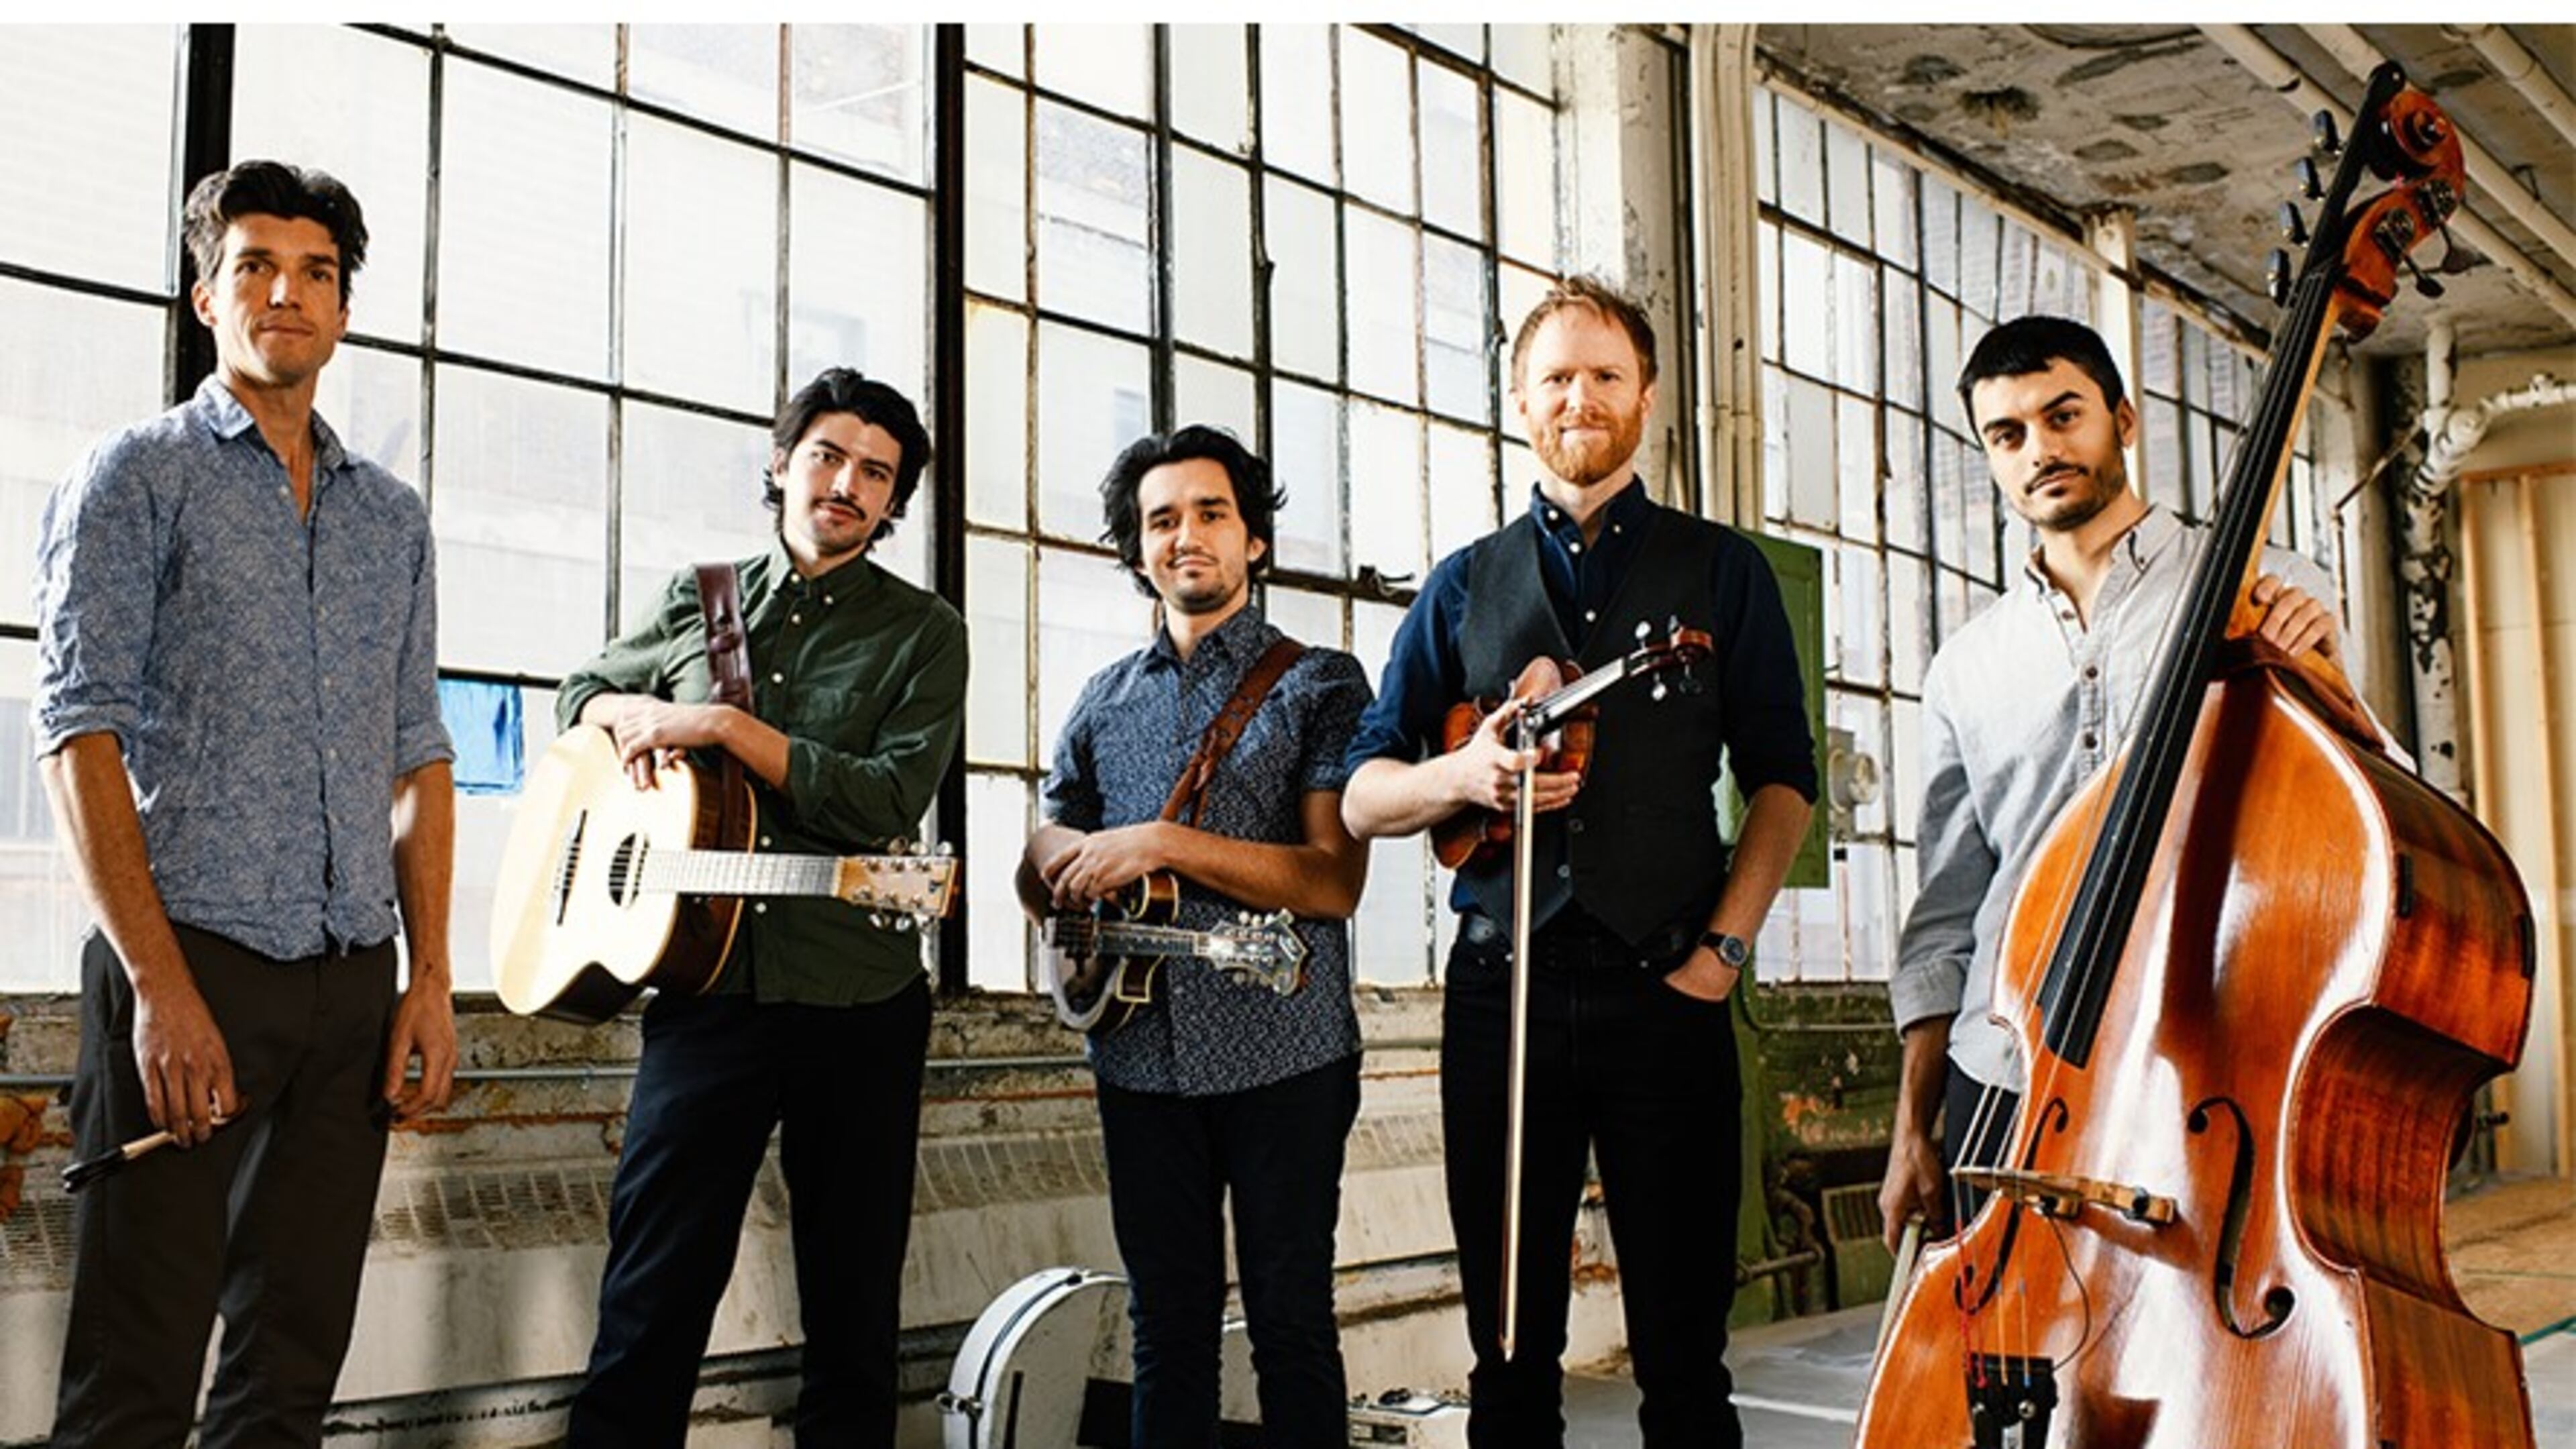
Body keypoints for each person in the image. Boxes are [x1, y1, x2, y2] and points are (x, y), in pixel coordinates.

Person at [1341, 276, 1817, 1448]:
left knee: (1683, 1357)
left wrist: (1724, 952)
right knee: (1508, 1354)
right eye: (1556, 376)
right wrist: (1463, 780)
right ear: (1519, 399)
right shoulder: (1462, 583)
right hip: (1507, 992)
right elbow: (1361, 790)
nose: (1581, 397)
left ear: (1647, 395)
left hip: (1670, 984)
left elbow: (1784, 782)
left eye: (1606, 374)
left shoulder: (1724, 570)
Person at [34, 159, 458, 1447]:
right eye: (256, 266)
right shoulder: (134, 477)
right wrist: (157, 988)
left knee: (288, 1373)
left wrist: (429, 977)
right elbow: (77, 732)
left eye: (317, 272)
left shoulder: (391, 518)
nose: (289, 292)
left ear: (344, 309)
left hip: (349, 985)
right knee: (136, 1376)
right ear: (206, 292)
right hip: (190, 970)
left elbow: (419, 756)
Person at [1876, 314, 2346, 1251]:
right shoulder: (1966, 667)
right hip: (2003, 1072)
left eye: (2064, 416)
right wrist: (1909, 1133)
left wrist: (2328, 681)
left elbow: (2365, 819)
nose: (2041, 450)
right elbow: (1947, 917)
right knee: (2000, 1382)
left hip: (2203, 1065)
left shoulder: (2269, 592)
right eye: (2007, 436)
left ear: (2123, 420)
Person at [559, 368, 967, 1448]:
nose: (848, 483)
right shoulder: (697, 599)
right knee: (650, 1296)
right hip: (704, 996)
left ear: (891, 506)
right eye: (829, 455)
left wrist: (728, 733)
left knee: (852, 1307)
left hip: (861, 999)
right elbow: (577, 700)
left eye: (877, 474)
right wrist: (641, 714)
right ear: (780, 463)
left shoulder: (925, 634)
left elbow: (886, 796)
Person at [1018, 425, 1373, 1448]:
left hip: (1286, 1058)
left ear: (1254, 539)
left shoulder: (1321, 683)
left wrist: (1163, 842)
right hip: (1137, 1059)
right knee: (1164, 1328)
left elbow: (1332, 882)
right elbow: (1046, 869)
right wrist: (1052, 849)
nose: (1187, 537)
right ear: (1137, 552)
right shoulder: (1101, 703)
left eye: (1212, 513)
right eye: (1161, 520)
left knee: (1290, 1324)